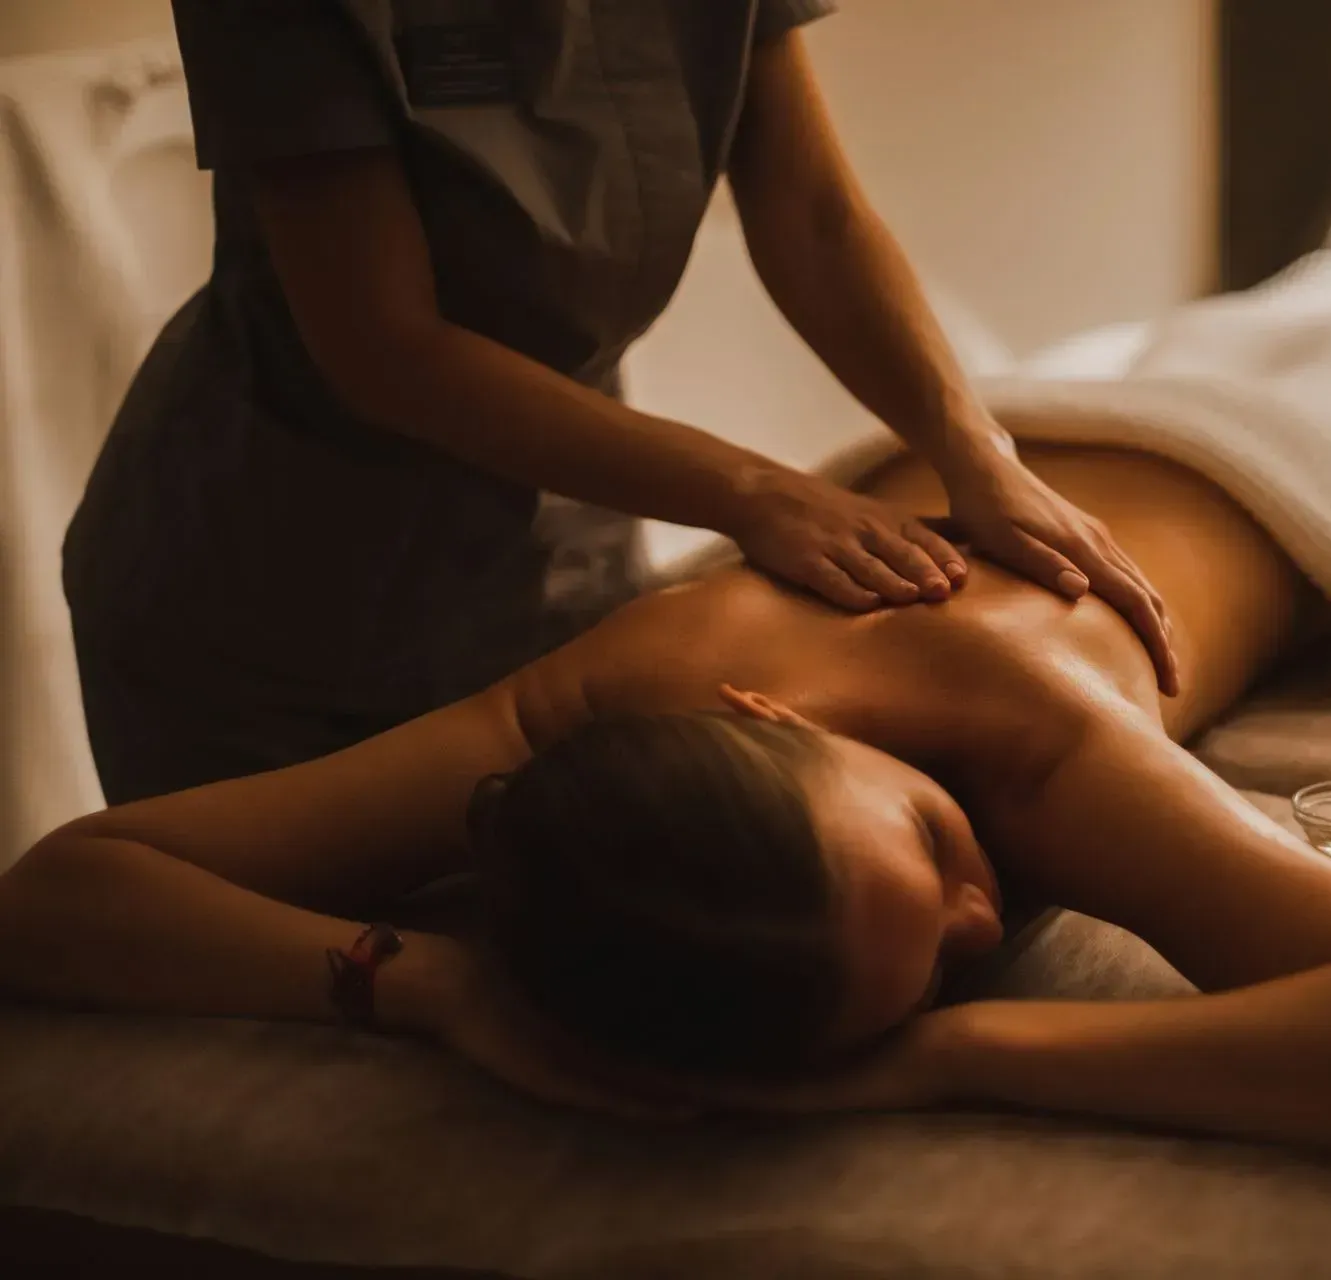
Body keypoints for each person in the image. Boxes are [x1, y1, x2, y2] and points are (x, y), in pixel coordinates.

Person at [4, 431, 1331, 1164]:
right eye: (947, 961)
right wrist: (425, 991)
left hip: (1251, 453)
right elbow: (66, 894)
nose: (983, 909)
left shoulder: (1025, 737)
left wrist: (953, 1053)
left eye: (940, 851)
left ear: (772, 715)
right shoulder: (580, 732)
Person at [61, 0, 1176, 806]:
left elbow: (815, 213)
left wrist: (976, 453)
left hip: (549, 553)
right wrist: (752, 491)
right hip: (262, 597)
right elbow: (384, 348)